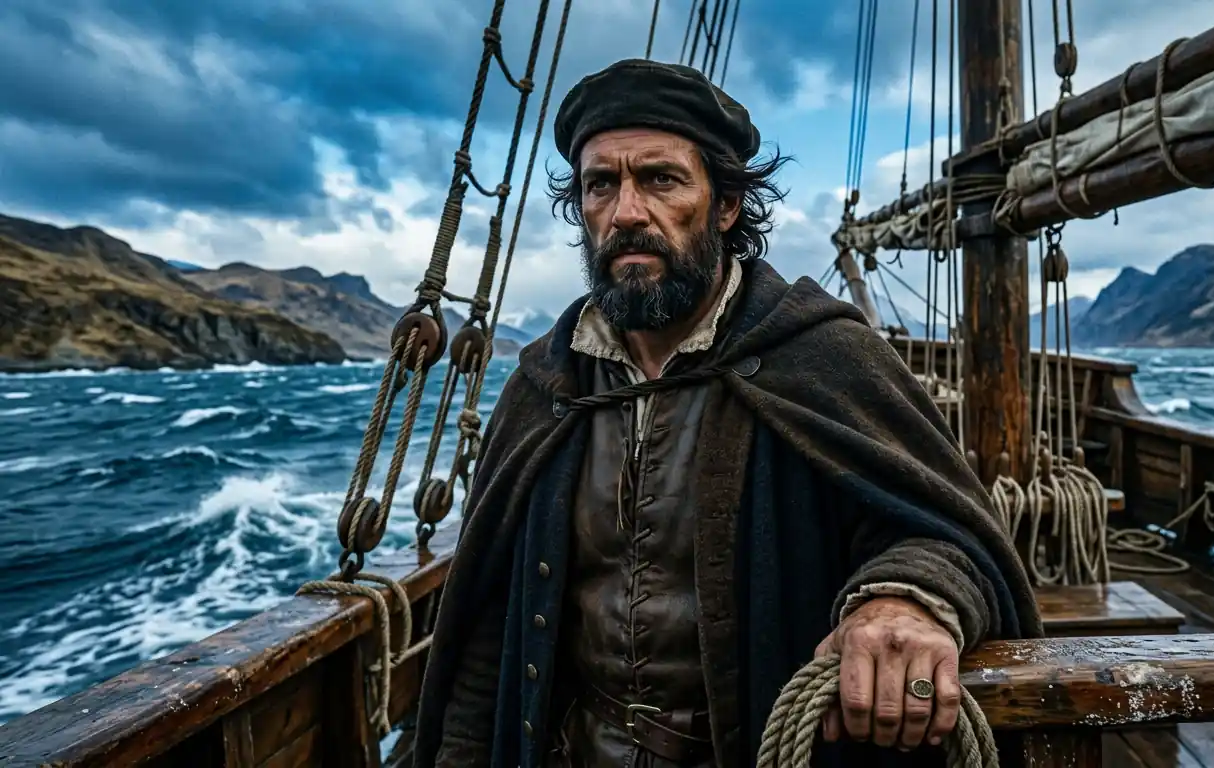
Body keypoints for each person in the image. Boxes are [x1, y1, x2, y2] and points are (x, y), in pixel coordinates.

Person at [412, 59, 1039, 768]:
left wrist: (902, 599)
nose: (626, 212)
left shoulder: (825, 357)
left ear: (726, 205)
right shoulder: (544, 385)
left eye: (660, 179)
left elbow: (949, 534)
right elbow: (489, 618)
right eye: (600, 184)